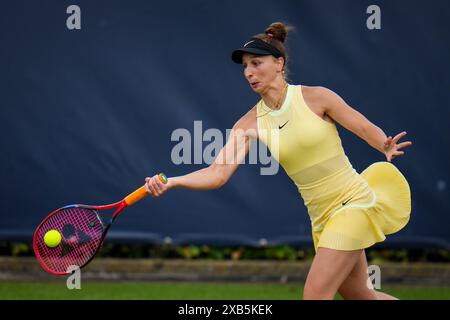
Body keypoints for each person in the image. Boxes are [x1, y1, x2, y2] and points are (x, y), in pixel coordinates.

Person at [144, 22, 413, 300]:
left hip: (353, 203)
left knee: (314, 296)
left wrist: (384, 143)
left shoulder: (316, 97)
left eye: (256, 63)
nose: (249, 72)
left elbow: (362, 126)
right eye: (245, 66)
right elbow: (217, 173)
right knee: (361, 297)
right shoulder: (248, 123)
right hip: (321, 219)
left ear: (279, 63)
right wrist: (172, 181)